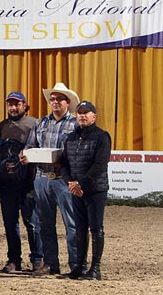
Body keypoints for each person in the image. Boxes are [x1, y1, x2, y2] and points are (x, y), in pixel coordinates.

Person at [21, 82, 79, 276]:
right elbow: (30, 146)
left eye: (59, 99)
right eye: (52, 99)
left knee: (71, 222)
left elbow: (79, 152)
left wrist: (63, 160)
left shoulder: (75, 124)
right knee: (45, 223)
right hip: (42, 178)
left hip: (64, 179)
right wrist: (25, 156)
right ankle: (50, 263)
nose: (54, 102)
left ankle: (75, 264)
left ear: (67, 102)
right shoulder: (41, 123)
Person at [61, 101, 111, 280]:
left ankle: (95, 269)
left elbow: (100, 165)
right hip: (76, 190)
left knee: (96, 228)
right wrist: (70, 182)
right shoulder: (71, 137)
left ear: (93, 117)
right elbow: (64, 164)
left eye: (86, 113)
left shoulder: (101, 137)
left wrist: (79, 183)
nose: (82, 116)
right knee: (80, 229)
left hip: (95, 190)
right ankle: (80, 267)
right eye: (79, 113)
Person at [0, 91, 43, 273]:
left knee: (32, 222)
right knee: (9, 222)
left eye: (17, 104)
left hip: (28, 182)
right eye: (10, 104)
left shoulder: (35, 124)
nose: (13, 108)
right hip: (7, 184)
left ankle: (37, 259)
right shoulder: (2, 126)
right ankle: (14, 259)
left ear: (24, 105)